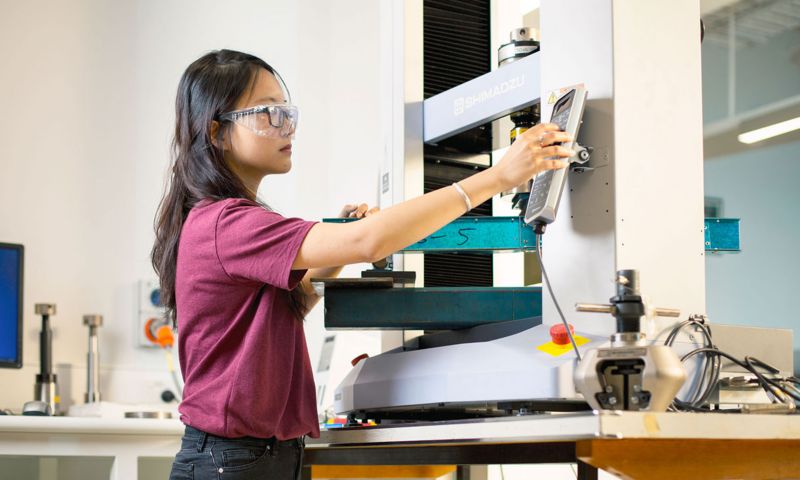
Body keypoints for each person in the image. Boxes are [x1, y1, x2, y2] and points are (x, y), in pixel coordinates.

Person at [152, 49, 574, 480]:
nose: (287, 125)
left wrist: (334, 256)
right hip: (231, 461)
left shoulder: (224, 221)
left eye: (287, 111)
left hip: (258, 457)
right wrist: (497, 178)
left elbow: (280, 307)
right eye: (268, 113)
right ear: (217, 132)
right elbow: (369, 242)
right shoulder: (228, 223)